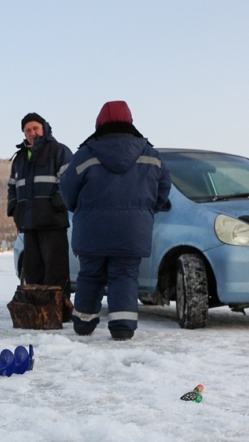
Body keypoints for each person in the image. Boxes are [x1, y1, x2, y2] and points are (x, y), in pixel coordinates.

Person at [59, 101, 170, 340]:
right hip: (132, 231)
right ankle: (122, 328)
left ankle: (83, 324)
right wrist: (145, 212)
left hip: (91, 230)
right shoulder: (151, 155)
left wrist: (80, 210)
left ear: (99, 124)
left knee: (90, 274)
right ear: (129, 121)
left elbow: (67, 190)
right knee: (125, 275)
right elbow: (163, 191)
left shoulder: (85, 155)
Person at [7, 113, 72, 290]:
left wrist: (55, 205)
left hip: (53, 223)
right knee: (32, 273)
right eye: (27, 130)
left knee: (55, 272)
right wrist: (16, 213)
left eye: (35, 128)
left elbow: (69, 181)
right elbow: (12, 187)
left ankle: (56, 312)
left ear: (44, 128)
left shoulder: (59, 151)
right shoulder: (20, 159)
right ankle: (36, 314)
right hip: (29, 225)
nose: (32, 133)